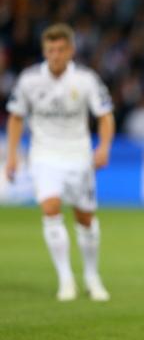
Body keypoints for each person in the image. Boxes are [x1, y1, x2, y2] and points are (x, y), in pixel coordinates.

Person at [5, 23, 114, 302]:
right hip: (44, 155)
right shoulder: (30, 80)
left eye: (60, 49)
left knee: (85, 218)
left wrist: (103, 147)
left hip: (79, 155)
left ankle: (92, 276)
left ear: (71, 51)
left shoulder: (86, 80)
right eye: (50, 50)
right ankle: (66, 279)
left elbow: (104, 115)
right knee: (50, 208)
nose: (55, 55)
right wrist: (12, 156)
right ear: (44, 51)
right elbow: (16, 117)